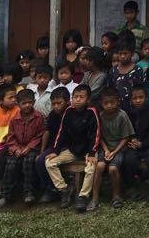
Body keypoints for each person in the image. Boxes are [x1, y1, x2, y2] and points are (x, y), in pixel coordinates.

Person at [44, 83, 101, 211]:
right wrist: (55, 150)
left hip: (88, 149)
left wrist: (92, 153)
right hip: (72, 149)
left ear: (88, 99)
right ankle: (64, 190)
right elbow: (61, 132)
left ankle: (83, 196)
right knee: (49, 162)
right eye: (75, 96)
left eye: (81, 97)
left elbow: (96, 134)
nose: (78, 99)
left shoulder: (91, 112)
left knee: (91, 167)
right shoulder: (69, 111)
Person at [0, 87, 43, 208]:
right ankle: (6, 195)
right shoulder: (14, 119)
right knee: (10, 165)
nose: (27, 105)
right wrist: (15, 149)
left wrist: (29, 147)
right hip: (17, 148)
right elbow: (10, 137)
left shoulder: (39, 117)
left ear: (34, 102)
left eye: (30, 102)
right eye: (24, 103)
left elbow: (39, 135)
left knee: (28, 162)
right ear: (18, 104)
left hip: (32, 148)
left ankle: (29, 193)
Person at [88, 86, 134, 210]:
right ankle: (94, 198)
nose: (109, 105)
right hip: (105, 149)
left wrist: (114, 152)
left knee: (113, 168)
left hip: (119, 149)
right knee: (100, 166)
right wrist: (106, 150)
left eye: (112, 102)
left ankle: (116, 196)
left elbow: (126, 138)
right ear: (101, 104)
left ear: (118, 102)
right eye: (106, 103)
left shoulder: (122, 115)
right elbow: (100, 136)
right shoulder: (101, 116)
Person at [36, 87, 70, 202]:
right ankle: (50, 190)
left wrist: (56, 151)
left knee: (49, 162)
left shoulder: (72, 113)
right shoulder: (53, 115)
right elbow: (47, 132)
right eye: (53, 104)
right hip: (54, 146)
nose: (56, 106)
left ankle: (61, 189)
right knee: (40, 160)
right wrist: (42, 149)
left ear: (67, 101)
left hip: (68, 146)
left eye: (59, 103)